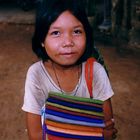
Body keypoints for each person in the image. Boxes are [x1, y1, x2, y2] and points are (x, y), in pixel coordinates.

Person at [22, 0, 117, 139]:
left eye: (77, 31)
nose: (68, 42)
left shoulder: (95, 72)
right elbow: (35, 135)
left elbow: (107, 128)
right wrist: (88, 133)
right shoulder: (36, 74)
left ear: (87, 34)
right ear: (42, 39)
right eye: (56, 33)